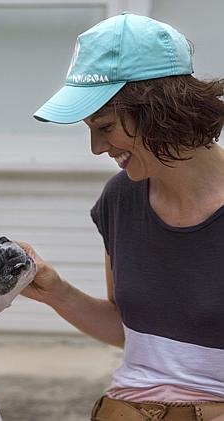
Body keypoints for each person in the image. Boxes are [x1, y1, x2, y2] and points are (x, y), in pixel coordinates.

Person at [20, 12, 224, 421]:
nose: (96, 147)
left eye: (105, 126)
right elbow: (127, 330)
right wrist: (57, 292)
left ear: (162, 110)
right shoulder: (120, 198)